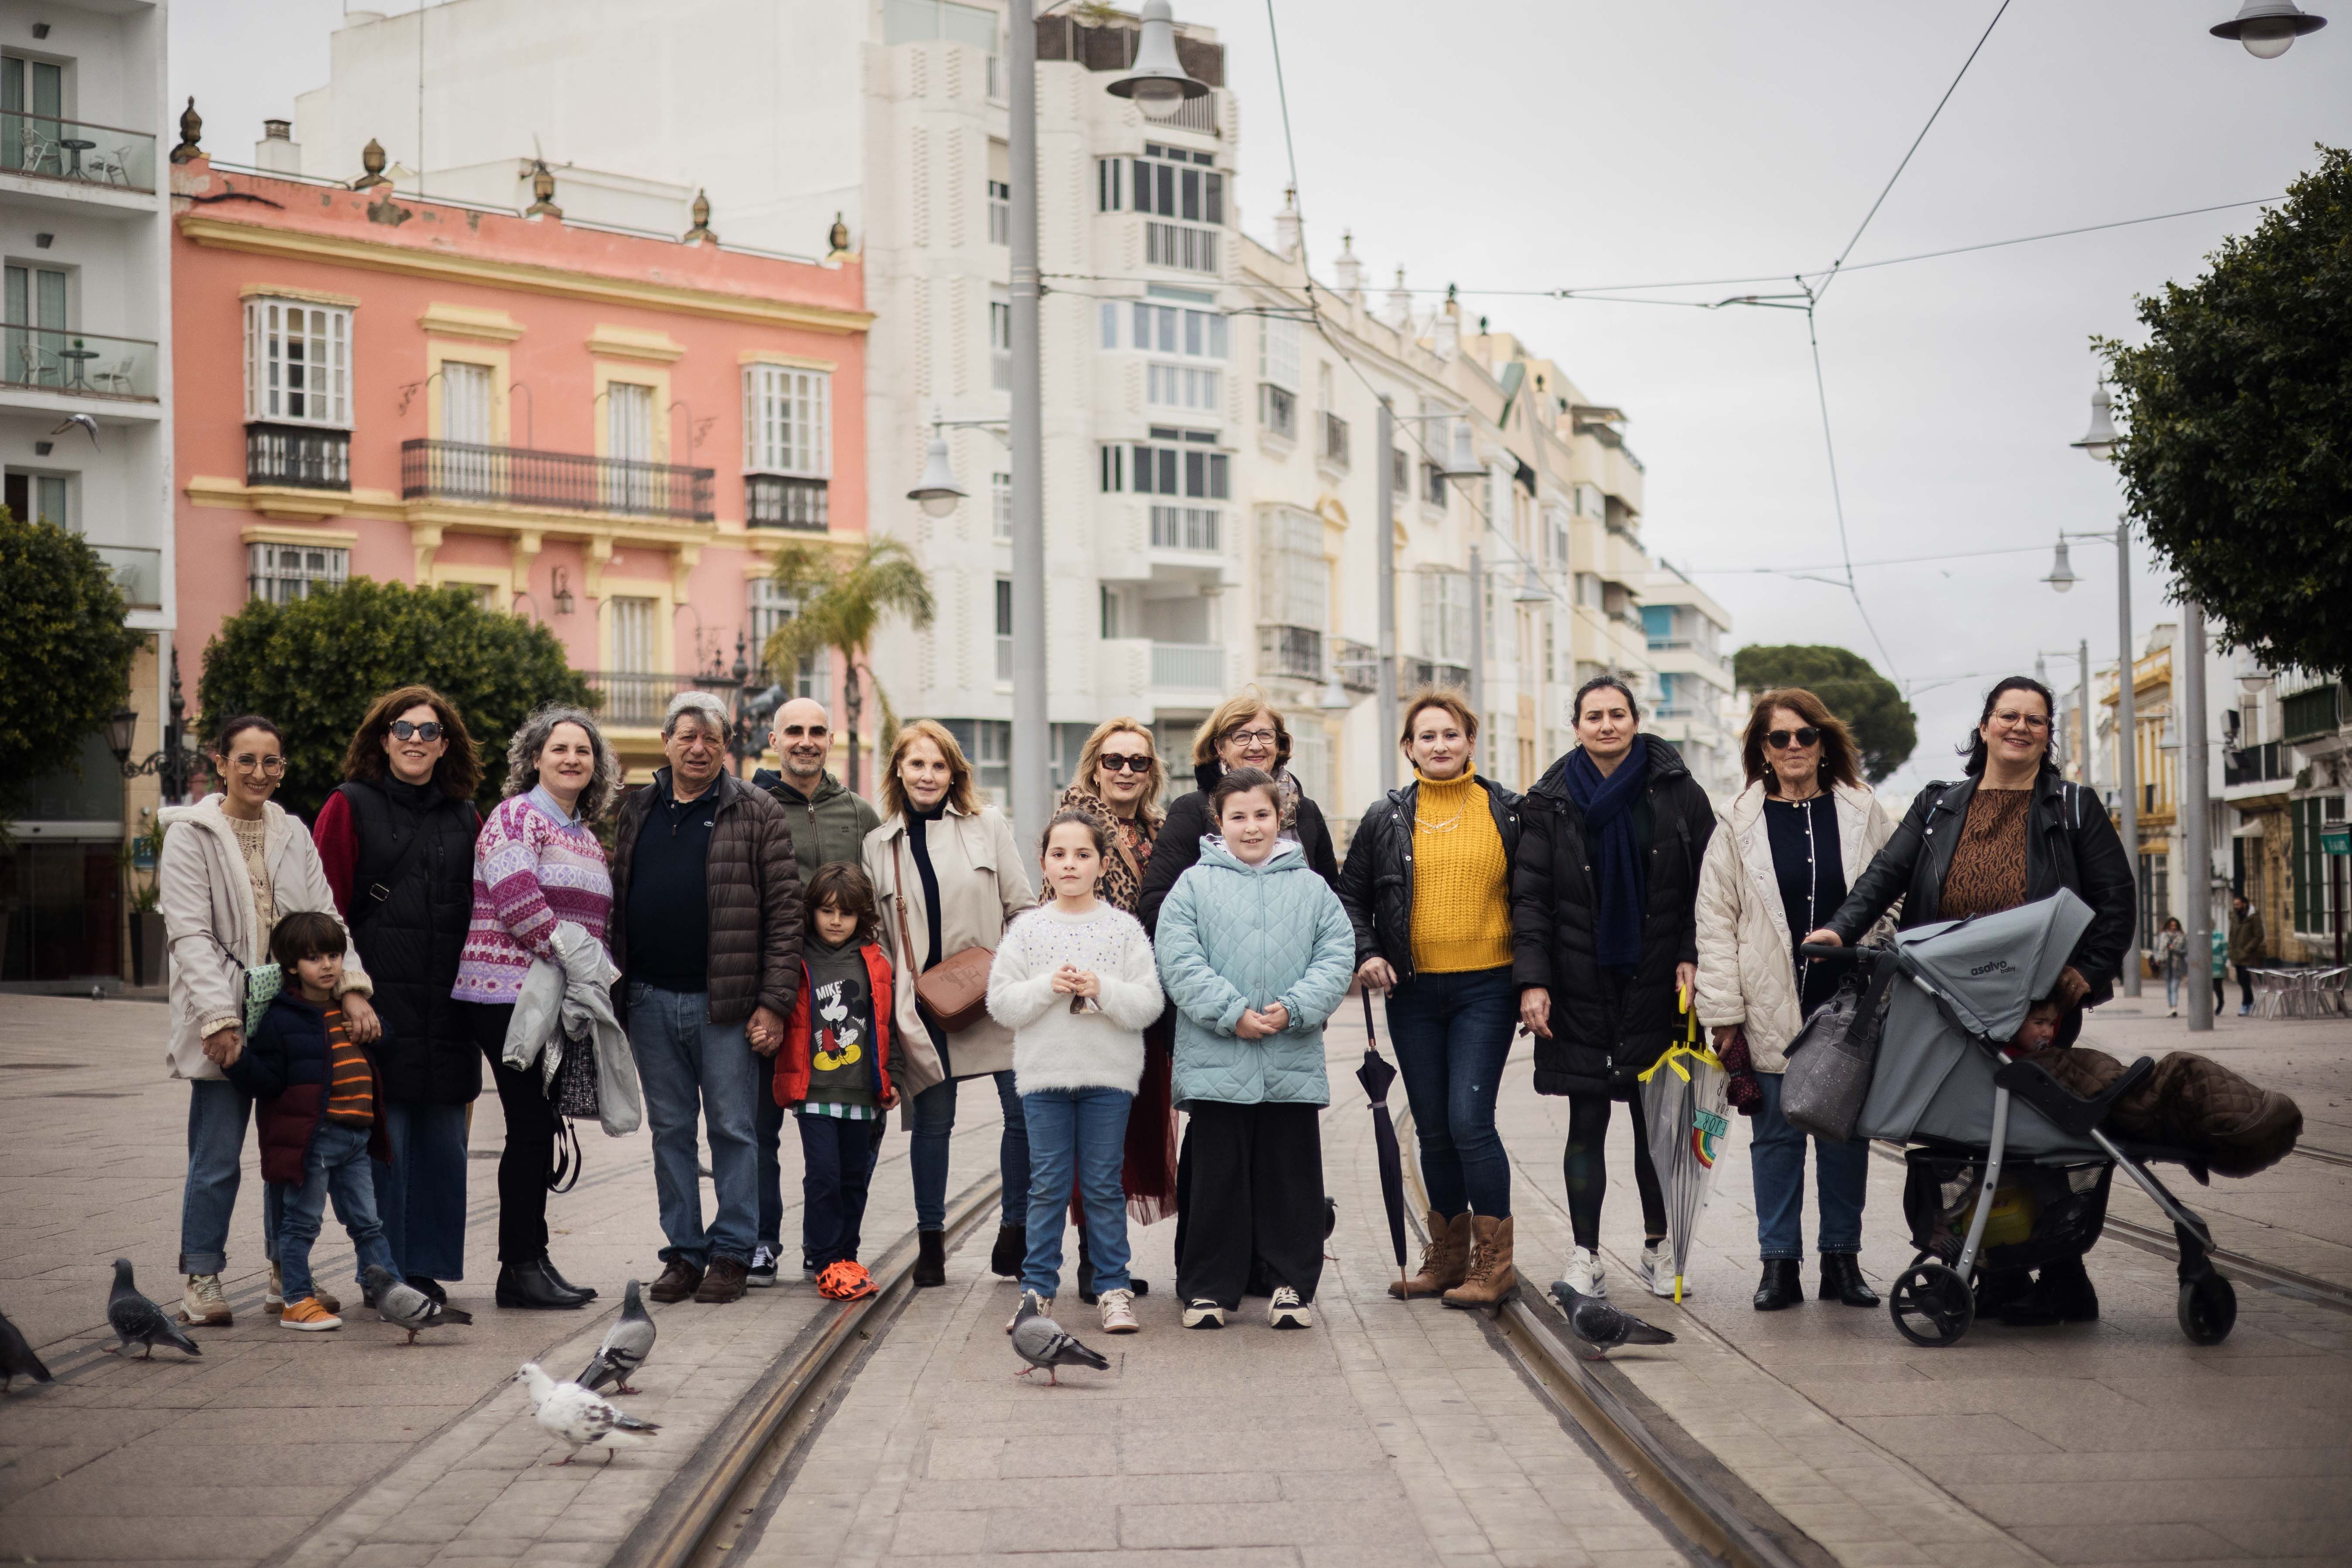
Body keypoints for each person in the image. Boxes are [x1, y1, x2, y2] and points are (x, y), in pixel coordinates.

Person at [1806, 674, 2134, 1326]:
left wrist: (2080, 979)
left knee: (2023, 1137)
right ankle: (1999, 1274)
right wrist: (1838, 927)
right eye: (2006, 716)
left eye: (2033, 720)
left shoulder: (2070, 806)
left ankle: (2052, 1273)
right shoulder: (1937, 805)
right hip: (1945, 1002)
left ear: (2046, 737)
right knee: (1958, 1139)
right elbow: (1884, 875)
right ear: (1982, 727)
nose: (2019, 727)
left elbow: (2115, 901)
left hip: (2034, 1004)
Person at [160, 714, 377, 1328]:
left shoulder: (293, 832)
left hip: (291, 1017)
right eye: (246, 760)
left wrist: (353, 988)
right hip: (222, 1018)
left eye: (271, 761)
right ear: (220, 763)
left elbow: (325, 919)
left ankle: (288, 1273)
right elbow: (190, 935)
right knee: (218, 1155)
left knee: (292, 1151)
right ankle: (202, 1275)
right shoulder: (190, 834)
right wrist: (219, 1018)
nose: (259, 772)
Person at [1512, 677, 1716, 1301]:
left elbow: (1706, 887)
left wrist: (1689, 952)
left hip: (1657, 979)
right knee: (1586, 1118)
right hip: (1577, 983)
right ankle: (1585, 1256)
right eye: (1593, 716)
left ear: (1635, 720)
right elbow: (1529, 899)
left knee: (1656, 1125)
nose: (1606, 725)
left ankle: (1658, 1246)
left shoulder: (1678, 791)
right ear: (1574, 726)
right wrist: (1533, 979)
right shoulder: (1547, 800)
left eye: (1617, 714)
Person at [1693, 689, 1895, 1312]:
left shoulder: (1864, 811)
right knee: (1775, 1139)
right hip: (1766, 1003)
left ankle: (1842, 1260)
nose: (1791, 748)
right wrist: (1723, 1014)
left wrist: (1870, 945)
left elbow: (1894, 892)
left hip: (1845, 1005)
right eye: (1777, 738)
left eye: (1803, 735)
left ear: (1822, 741)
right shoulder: (1735, 819)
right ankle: (1777, 1264)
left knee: (1843, 1138)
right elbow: (1714, 919)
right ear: (1761, 749)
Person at [610, 692, 803, 1306]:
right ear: (666, 740)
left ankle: (731, 1253)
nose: (699, 748)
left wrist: (773, 1003)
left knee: (732, 1129)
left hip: (728, 1005)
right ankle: (683, 1253)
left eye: (711, 739)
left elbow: (784, 912)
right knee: (669, 1130)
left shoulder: (756, 809)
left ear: (726, 747)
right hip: (647, 1000)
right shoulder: (635, 807)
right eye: (687, 736)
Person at [1338, 688, 1523, 1309]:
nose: (1439, 745)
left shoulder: (1507, 811)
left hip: (1486, 987)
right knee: (1435, 1130)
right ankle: (1444, 1259)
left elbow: (1536, 898)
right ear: (1409, 747)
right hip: (1412, 991)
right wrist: (1366, 953)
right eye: (1426, 736)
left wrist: (1535, 980)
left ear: (1470, 741)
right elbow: (1349, 898)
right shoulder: (1383, 817)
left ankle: (1493, 1264)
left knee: (1470, 1121)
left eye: (1450, 734)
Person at [1155, 767, 1356, 1331]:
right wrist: (1230, 1013)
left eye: (1261, 815)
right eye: (1237, 816)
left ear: (1280, 818)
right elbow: (1178, 959)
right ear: (1218, 821)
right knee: (1216, 1177)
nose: (1250, 827)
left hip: (1289, 1056)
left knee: (1290, 1176)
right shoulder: (1192, 886)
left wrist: (1294, 1007)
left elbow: (1335, 954)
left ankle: (1288, 1283)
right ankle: (1206, 1288)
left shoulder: (1311, 887)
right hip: (1218, 1056)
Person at [312, 686, 482, 1305]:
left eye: (429, 731)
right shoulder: (347, 806)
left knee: (444, 1147)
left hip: (450, 1007)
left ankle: (428, 1270)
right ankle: (383, 1270)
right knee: (387, 1146)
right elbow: (321, 912)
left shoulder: (465, 816)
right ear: (382, 739)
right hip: (374, 1006)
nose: (416, 739)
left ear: (445, 745)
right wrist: (346, 994)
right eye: (403, 729)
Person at [453, 705, 619, 1311]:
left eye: (583, 750)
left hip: (553, 996)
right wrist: (585, 967)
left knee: (539, 1128)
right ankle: (518, 1267)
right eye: (559, 748)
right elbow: (519, 903)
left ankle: (533, 1257)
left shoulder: (582, 834)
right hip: (505, 994)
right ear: (534, 757)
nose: (572, 758)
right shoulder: (514, 817)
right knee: (528, 1129)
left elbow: (597, 921)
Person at [865, 720, 1034, 1287]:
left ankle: (1014, 1232)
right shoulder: (878, 845)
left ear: (954, 773)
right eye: (917, 764)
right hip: (923, 1009)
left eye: (938, 765)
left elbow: (1022, 908)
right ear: (898, 770)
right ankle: (931, 1243)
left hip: (994, 995)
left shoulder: (988, 826)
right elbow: (881, 940)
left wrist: (1013, 978)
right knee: (932, 1126)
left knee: (1023, 1116)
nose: (927, 775)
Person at [989, 810, 1165, 1334]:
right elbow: (1001, 1003)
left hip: (1108, 1078)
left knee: (1104, 1185)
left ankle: (1113, 1287)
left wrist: (1101, 989)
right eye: (1059, 854)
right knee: (1046, 1187)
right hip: (1045, 1079)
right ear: (1043, 863)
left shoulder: (1123, 929)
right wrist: (1049, 986)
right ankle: (1037, 1291)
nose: (1070, 864)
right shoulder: (1028, 930)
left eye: (1083, 855)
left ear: (1102, 864)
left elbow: (1148, 1004)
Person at [750, 696, 882, 1286]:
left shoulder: (858, 814)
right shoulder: (750, 805)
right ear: (774, 739)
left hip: (845, 997)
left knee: (846, 1144)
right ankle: (759, 1238)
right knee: (758, 1127)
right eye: (793, 731)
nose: (805, 741)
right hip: (771, 987)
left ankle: (829, 1245)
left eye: (816, 731)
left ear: (830, 739)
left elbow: (880, 897)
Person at [1048, 717, 1176, 1302]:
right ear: (1094, 765)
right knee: (1094, 1140)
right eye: (1113, 760)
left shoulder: (1161, 829)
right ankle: (1095, 1265)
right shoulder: (1073, 823)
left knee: (1131, 1135)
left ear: (1151, 772)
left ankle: (1108, 1260)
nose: (1125, 771)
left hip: (1146, 1001)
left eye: (1137, 762)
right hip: (1091, 1004)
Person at [226, 911, 397, 1330]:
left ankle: (390, 1292)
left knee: (368, 1222)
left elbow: (386, 1042)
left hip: (357, 1137)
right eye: (314, 958)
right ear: (290, 967)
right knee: (302, 1222)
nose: (327, 966)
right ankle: (297, 1300)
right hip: (314, 1140)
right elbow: (269, 1081)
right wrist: (237, 1062)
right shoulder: (282, 1018)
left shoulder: (349, 1008)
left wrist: (378, 1032)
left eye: (334, 955)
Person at [772, 863, 898, 1303]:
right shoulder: (798, 957)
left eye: (846, 913)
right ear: (812, 912)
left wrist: (893, 1076)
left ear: (861, 916)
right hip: (815, 1093)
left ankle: (847, 1255)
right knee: (823, 1176)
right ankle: (824, 1259)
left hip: (861, 1094)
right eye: (826, 911)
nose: (836, 921)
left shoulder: (877, 962)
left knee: (853, 1178)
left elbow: (890, 1024)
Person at [2228, 895, 2264, 1016]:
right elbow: (2232, 935)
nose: (2236, 907)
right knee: (2241, 980)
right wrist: (2231, 950)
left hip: (2248, 956)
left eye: (2238, 904)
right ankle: (2250, 1002)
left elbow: (2259, 936)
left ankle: (2245, 1004)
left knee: (2245, 979)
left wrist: (2248, 949)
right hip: (2237, 955)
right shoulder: (2235, 917)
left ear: (2245, 904)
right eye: (2235, 905)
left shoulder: (2254, 918)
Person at [2152, 916, 2188, 1018]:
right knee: (2168, 988)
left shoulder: (2182, 937)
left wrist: (2175, 949)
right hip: (2165, 966)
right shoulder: (2162, 936)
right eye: (2171, 925)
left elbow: (2185, 952)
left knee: (2174, 988)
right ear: (2168, 926)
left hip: (2178, 967)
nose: (2173, 927)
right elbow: (2156, 949)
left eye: (2175, 926)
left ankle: (2174, 1008)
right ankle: (2171, 1007)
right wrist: (2157, 959)